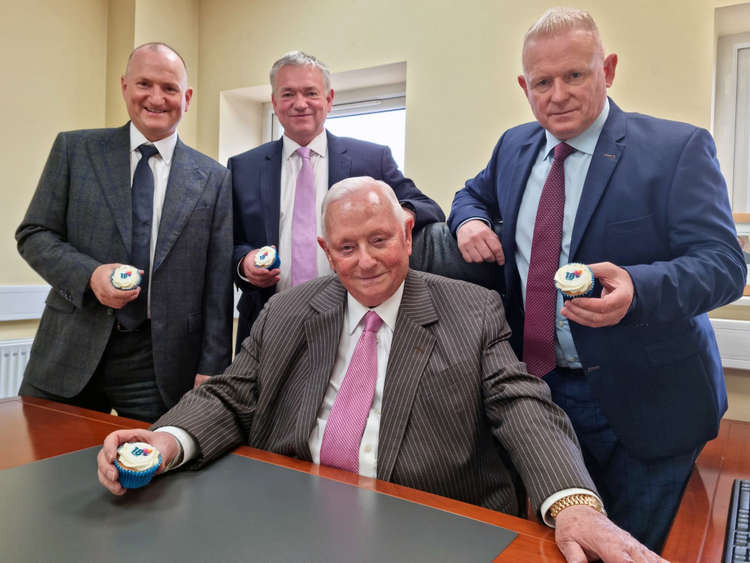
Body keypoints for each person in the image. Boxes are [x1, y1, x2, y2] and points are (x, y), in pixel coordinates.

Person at [97, 177, 663, 562]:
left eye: (379, 240)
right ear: (325, 248)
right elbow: (230, 395)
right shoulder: (290, 309)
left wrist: (572, 503)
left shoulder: (471, 310)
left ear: (409, 234)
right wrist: (164, 442)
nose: (365, 261)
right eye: (346, 247)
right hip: (292, 513)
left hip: (426, 525)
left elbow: (524, 408)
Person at [448, 7, 747, 552]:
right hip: (540, 393)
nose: (557, 94)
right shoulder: (514, 147)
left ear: (607, 69)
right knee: (559, 542)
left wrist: (639, 288)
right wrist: (467, 220)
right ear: (525, 86)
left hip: (650, 405)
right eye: (542, 81)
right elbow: (472, 193)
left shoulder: (676, 149)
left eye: (575, 75)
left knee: (634, 545)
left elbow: (725, 265)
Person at [16, 43, 233, 422]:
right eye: (144, 84)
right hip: (69, 349)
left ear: (188, 97)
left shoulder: (214, 178)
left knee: (157, 477)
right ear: (124, 86)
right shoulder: (75, 150)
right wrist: (90, 275)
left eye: (169, 88)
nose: (156, 98)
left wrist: (213, 365)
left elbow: (217, 282)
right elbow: (34, 234)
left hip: (159, 365)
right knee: (44, 472)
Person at [229, 51, 444, 349]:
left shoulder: (371, 159)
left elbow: (427, 206)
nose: (300, 103)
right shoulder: (243, 168)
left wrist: (396, 214)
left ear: (329, 100)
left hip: (354, 325)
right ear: (275, 102)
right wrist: (244, 262)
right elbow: (230, 241)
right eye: (288, 94)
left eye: (310, 93)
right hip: (269, 323)